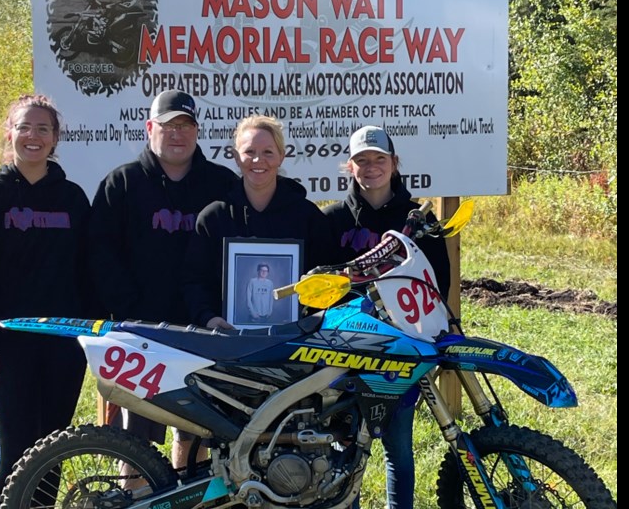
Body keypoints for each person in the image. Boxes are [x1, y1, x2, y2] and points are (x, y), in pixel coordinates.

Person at [87, 89, 237, 468]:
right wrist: (129, 313)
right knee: (137, 439)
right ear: (150, 128)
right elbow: (100, 255)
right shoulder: (121, 183)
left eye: (186, 125)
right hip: (142, 332)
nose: (177, 134)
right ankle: (137, 496)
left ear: (197, 131)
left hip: (203, 328)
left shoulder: (221, 184)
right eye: (169, 126)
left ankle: (191, 497)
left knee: (199, 432)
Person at [0, 93, 90, 509]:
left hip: (63, 345)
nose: (33, 136)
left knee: (51, 448)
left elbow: (89, 272)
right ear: (9, 133)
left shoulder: (72, 199)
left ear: (55, 139)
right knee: (16, 449)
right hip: (7, 345)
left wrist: (92, 334)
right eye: (24, 127)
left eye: (43, 129)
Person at [322, 124, 451, 509]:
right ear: (350, 166)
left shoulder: (418, 220)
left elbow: (436, 283)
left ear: (394, 164)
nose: (371, 167)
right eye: (362, 160)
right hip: (346, 353)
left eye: (379, 159)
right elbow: (319, 288)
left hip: (401, 349)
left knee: (398, 449)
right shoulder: (332, 221)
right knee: (345, 449)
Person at [183, 114, 338, 331]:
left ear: (281, 157)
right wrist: (207, 317)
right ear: (236, 157)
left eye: (268, 152)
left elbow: (326, 281)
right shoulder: (213, 218)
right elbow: (195, 281)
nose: (258, 160)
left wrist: (310, 323)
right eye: (249, 152)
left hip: (295, 342)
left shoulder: (308, 216)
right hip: (227, 342)